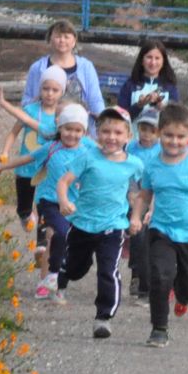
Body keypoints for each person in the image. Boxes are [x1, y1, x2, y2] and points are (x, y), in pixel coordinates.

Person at [131, 103, 188, 345]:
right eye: (168, 135)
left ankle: (182, 297)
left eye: (181, 137)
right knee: (160, 275)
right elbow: (145, 195)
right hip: (163, 230)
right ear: (159, 133)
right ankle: (159, 327)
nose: (174, 141)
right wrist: (136, 217)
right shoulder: (153, 165)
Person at [56, 109, 146, 340]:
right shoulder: (88, 157)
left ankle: (103, 318)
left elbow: (141, 194)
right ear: (97, 133)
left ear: (128, 136)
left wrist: (135, 217)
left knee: (108, 270)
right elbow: (64, 182)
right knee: (76, 268)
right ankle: (65, 272)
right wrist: (64, 201)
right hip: (83, 225)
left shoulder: (134, 164)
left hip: (113, 227)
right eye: (106, 131)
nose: (111, 137)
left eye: (118, 132)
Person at [0, 100, 91, 299]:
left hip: (74, 204)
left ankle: (54, 281)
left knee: (62, 240)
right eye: (68, 129)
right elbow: (28, 158)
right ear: (60, 128)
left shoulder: (87, 151)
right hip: (49, 201)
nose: (72, 134)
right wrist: (4, 166)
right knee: (56, 234)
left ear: (84, 132)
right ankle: (51, 277)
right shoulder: (51, 147)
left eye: (77, 130)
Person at [0, 72, 63, 241]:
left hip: (47, 171)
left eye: (55, 90)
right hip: (25, 167)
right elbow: (14, 133)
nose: (50, 93)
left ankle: (42, 245)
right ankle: (26, 216)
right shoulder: (31, 110)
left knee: (45, 206)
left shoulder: (61, 116)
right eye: (46, 88)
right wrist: (5, 152)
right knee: (23, 208)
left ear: (61, 92)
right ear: (40, 89)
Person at [21, 19, 103, 115]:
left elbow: (95, 100)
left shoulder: (86, 67)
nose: (62, 40)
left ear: (74, 41)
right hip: (44, 125)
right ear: (50, 39)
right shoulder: (37, 68)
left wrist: (101, 119)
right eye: (58, 36)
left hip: (78, 126)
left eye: (66, 37)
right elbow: (27, 100)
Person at [127, 106, 163, 303]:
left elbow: (160, 180)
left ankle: (148, 283)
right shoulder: (131, 148)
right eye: (144, 129)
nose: (147, 135)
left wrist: (152, 206)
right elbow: (127, 173)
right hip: (134, 195)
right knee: (138, 234)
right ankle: (137, 275)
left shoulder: (162, 150)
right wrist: (132, 196)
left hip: (156, 198)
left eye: (153, 130)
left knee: (150, 240)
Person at [116, 39, 179, 115]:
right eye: (149, 57)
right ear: (142, 60)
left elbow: (175, 120)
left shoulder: (170, 88)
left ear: (163, 62)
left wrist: (162, 108)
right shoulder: (129, 85)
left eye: (157, 58)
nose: (153, 62)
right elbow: (120, 118)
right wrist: (139, 106)